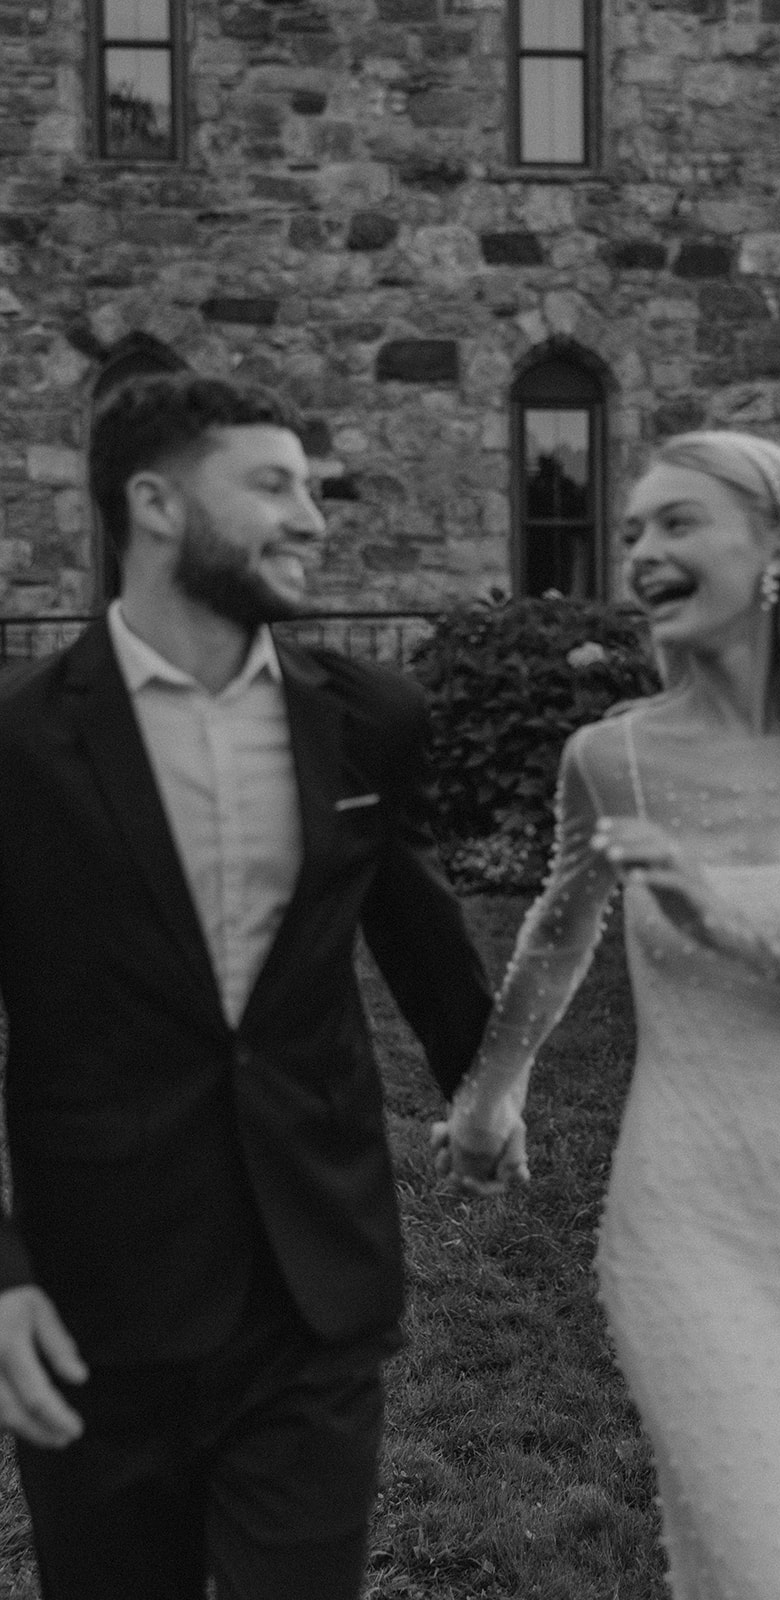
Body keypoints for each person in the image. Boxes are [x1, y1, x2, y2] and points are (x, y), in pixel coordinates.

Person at [434, 430, 780, 1600]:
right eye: (631, 529)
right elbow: (557, 928)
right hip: (681, 1211)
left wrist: (711, 909)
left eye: (677, 522)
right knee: (768, 1559)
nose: (640, 550)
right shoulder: (610, 757)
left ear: (776, 546)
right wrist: (490, 1093)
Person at [0, 372, 511, 1600]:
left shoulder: (367, 717)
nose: (313, 516)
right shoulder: (18, 747)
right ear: (157, 504)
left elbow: (410, 915)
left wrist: (485, 1082)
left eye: (311, 486)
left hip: (312, 1291)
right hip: (94, 1310)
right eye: (272, 484)